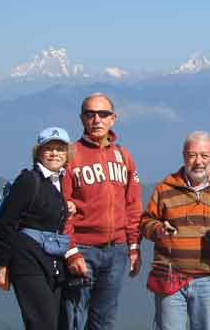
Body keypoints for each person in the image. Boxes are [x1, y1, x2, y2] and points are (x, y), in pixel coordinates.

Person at [140, 131, 210, 330]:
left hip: (209, 280)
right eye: (192, 155)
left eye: (204, 155)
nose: (198, 161)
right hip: (170, 276)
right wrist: (159, 229)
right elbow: (145, 222)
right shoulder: (164, 188)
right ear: (184, 156)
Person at [62, 93, 142, 330]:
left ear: (113, 119)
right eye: (90, 114)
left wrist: (134, 247)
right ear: (82, 119)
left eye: (103, 114)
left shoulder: (123, 156)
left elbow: (133, 205)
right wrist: (71, 251)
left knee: (104, 322)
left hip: (116, 251)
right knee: (73, 319)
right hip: (83, 249)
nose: (97, 119)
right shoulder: (70, 155)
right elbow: (61, 207)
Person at [0, 127, 76, 329]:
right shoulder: (29, 180)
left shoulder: (59, 182)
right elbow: (6, 222)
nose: (55, 153)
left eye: (60, 149)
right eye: (49, 148)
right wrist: (3, 265)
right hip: (26, 260)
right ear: (38, 152)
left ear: (67, 154)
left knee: (55, 322)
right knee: (41, 322)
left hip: (52, 262)